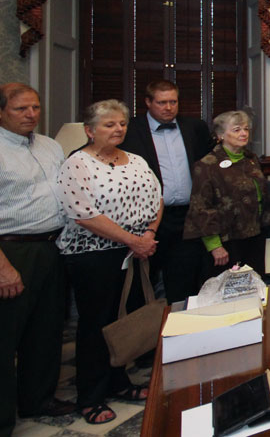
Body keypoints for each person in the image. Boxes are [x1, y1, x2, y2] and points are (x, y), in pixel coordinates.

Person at [56, 100, 163, 426]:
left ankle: (119, 381)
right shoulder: (77, 164)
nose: (118, 129)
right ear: (90, 130)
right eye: (108, 125)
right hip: (94, 256)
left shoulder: (136, 160)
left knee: (124, 321)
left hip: (135, 254)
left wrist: (147, 235)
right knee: (96, 325)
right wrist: (132, 240)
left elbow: (158, 198)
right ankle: (91, 395)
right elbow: (83, 213)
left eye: (121, 124)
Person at [0, 83, 76, 434]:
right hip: (12, 250)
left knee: (46, 330)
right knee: (6, 336)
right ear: (1, 112)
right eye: (21, 109)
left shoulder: (50, 146)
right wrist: (3, 267)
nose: (31, 114)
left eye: (35, 107)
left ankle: (38, 398)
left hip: (52, 246)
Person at [119, 80, 214, 303]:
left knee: (183, 284)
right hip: (145, 220)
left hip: (186, 218)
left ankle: (180, 332)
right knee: (140, 285)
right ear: (148, 102)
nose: (168, 107)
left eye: (173, 102)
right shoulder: (130, 130)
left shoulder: (194, 128)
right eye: (162, 102)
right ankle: (144, 335)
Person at [184, 111, 270, 278]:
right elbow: (200, 207)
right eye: (237, 129)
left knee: (254, 286)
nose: (244, 133)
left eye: (246, 129)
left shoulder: (250, 158)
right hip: (226, 241)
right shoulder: (207, 165)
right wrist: (215, 246)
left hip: (255, 235)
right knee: (227, 292)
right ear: (220, 135)